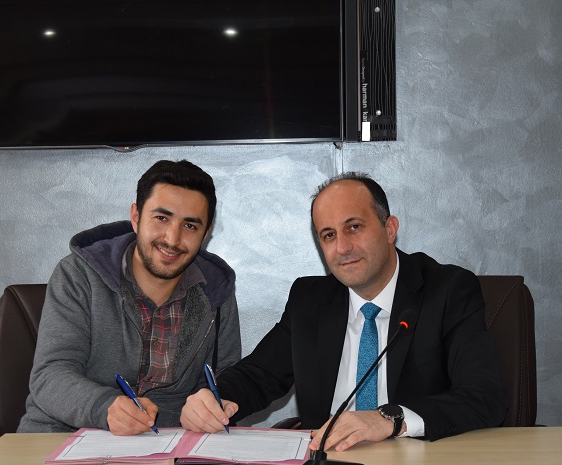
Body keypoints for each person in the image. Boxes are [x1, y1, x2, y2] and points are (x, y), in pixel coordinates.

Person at [181, 172, 505, 449]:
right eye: (329, 235)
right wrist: (213, 399)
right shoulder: (310, 300)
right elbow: (257, 376)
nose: (342, 248)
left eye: (354, 227)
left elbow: (484, 397)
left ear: (390, 229)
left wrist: (388, 419)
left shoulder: (447, 291)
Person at [19, 159, 241, 436]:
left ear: (206, 233)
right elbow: (50, 376)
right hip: (64, 434)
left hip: (170, 442)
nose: (172, 239)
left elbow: (226, 378)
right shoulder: (78, 275)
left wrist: (214, 406)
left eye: (190, 226)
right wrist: (104, 407)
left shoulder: (216, 289)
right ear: (136, 217)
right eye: (161, 218)